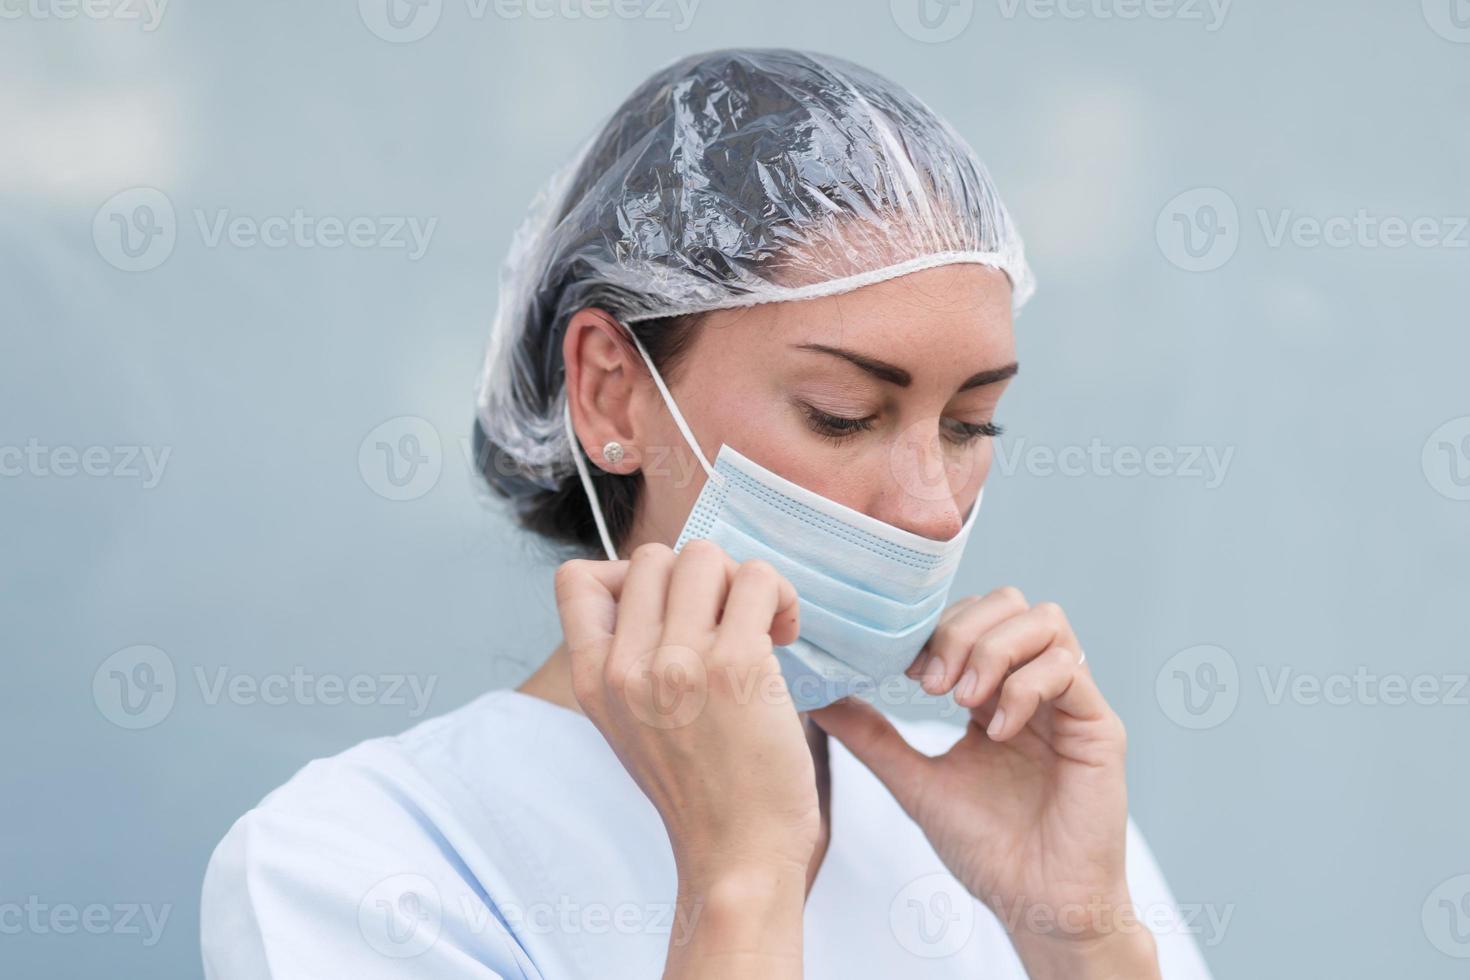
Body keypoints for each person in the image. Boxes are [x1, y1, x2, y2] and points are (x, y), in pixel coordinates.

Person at [201, 48, 1214, 979]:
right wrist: (744, 882)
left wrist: (1078, 936)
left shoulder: (1035, 839)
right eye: (844, 414)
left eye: (969, 424)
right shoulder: (359, 863)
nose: (930, 504)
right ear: (609, 391)